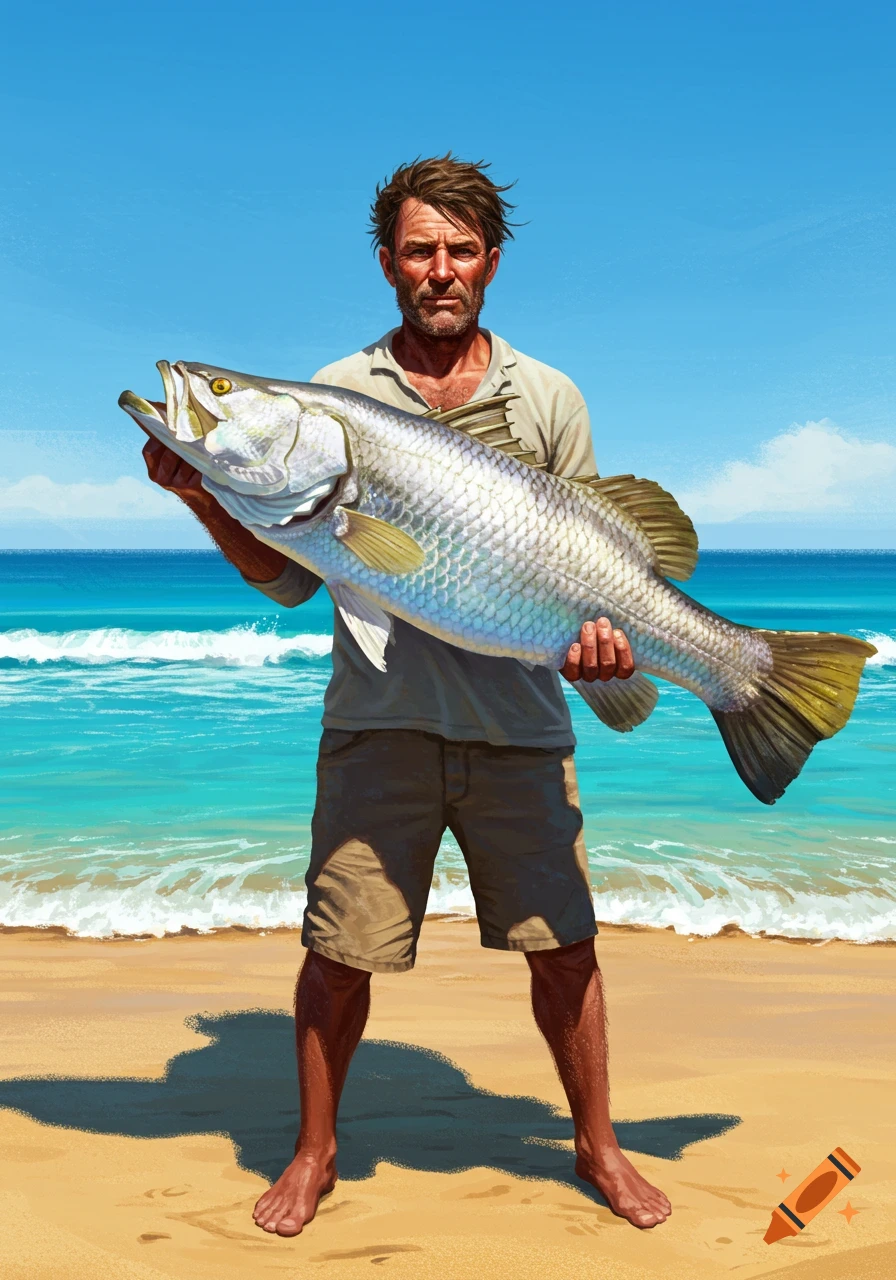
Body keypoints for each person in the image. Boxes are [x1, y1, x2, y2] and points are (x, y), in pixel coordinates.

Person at [140, 155, 672, 1235]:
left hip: (521, 726)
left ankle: (597, 1144)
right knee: (339, 953)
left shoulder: (547, 396)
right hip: (378, 725)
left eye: (460, 250)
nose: (440, 269)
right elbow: (294, 578)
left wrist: (608, 650)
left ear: (491, 262)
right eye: (420, 249)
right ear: (387, 262)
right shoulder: (337, 391)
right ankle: (314, 1150)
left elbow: (596, 557)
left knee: (565, 948)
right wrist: (208, 496)